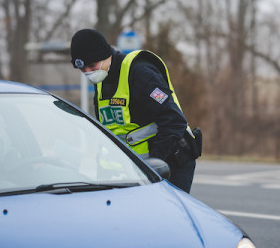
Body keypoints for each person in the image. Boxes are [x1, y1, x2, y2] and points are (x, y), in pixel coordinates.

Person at [69, 28, 200, 193]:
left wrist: (154, 164)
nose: (88, 72)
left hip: (169, 161)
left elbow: (174, 120)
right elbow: (111, 131)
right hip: (135, 169)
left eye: (91, 66)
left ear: (104, 55)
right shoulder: (102, 78)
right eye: (83, 69)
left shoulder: (139, 73)